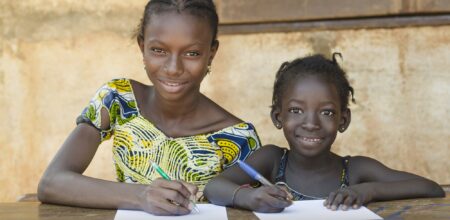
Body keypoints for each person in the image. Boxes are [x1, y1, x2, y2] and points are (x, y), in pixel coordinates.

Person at [37, 0, 261, 216]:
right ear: (142, 46)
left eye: (192, 53)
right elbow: (52, 183)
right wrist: (141, 195)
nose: (173, 68)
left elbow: (252, 209)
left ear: (211, 53)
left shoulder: (238, 138)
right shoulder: (119, 99)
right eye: (158, 50)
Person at [204, 53, 445, 213]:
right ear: (279, 117)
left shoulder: (356, 170)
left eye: (327, 113)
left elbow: (431, 188)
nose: (311, 123)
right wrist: (248, 198)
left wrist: (367, 190)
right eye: (296, 110)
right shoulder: (272, 160)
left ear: (344, 120)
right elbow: (214, 187)